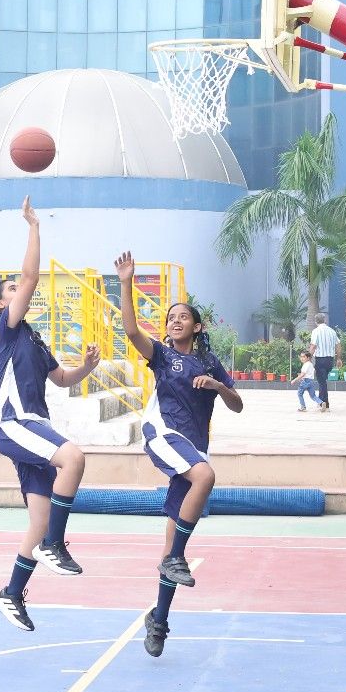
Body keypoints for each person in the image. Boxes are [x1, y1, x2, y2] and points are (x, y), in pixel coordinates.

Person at [116, 251, 243, 658]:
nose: (175, 320)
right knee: (205, 476)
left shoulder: (209, 362)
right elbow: (130, 329)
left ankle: (159, 619)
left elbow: (238, 404)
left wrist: (218, 387)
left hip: (190, 449)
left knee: (173, 545)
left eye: (183, 316)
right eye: (171, 316)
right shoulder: (162, 355)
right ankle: (174, 561)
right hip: (163, 434)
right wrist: (126, 282)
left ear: (197, 326)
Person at [0, 198, 102, 631]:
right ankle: (56, 543)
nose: (19, 290)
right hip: (13, 423)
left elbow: (62, 379)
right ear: (1, 305)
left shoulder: (33, 340)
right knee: (74, 458)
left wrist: (86, 367)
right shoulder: (6, 329)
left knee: (37, 522)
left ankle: (11, 592)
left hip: (34, 428)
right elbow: (31, 277)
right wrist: (33, 226)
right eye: (11, 290)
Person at [309, 313, 340, 412]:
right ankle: (321, 402)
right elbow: (338, 345)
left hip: (320, 360)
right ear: (324, 320)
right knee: (322, 381)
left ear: (315, 321)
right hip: (330, 360)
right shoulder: (332, 331)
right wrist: (339, 358)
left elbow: (313, 346)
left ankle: (325, 404)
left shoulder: (316, 331)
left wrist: (308, 359)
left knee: (322, 382)